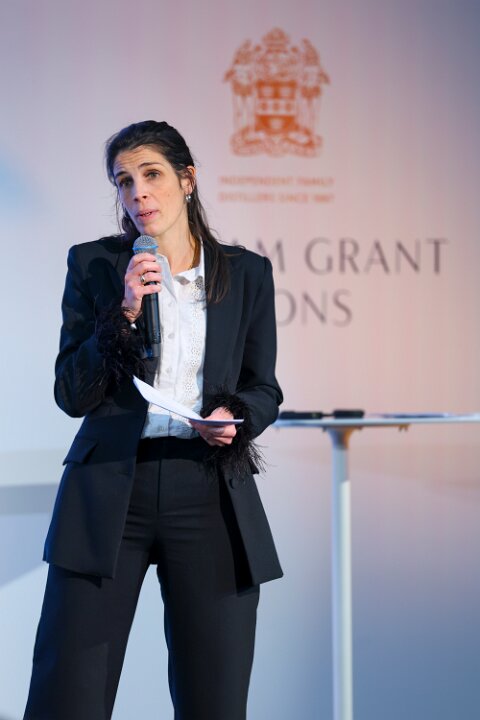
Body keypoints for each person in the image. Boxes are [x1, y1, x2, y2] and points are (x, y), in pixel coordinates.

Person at [24, 120, 283, 720]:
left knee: (214, 699)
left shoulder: (245, 274)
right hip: (111, 487)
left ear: (187, 180)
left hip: (208, 489)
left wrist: (236, 417)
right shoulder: (95, 265)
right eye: (123, 181)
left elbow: (264, 387)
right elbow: (71, 394)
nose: (137, 193)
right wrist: (123, 311)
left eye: (151, 175)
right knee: (68, 694)